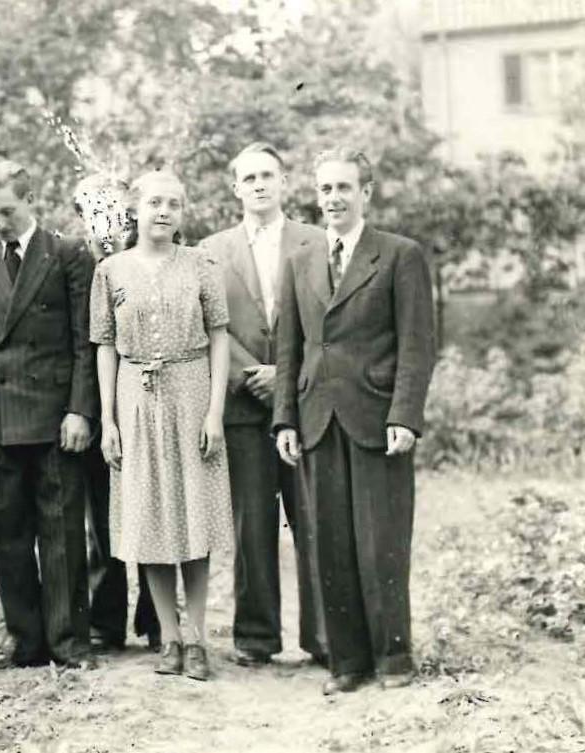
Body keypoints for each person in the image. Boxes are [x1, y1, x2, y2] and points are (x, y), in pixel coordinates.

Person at [273, 147, 435, 694]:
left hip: (377, 419)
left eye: (344, 188)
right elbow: (288, 348)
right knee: (329, 543)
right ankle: (348, 663)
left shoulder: (399, 255)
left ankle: (393, 658)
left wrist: (405, 415)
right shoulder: (300, 260)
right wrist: (284, 420)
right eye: (325, 190)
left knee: (381, 540)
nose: (334, 199)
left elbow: (417, 346)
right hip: (317, 417)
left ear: (367, 191)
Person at [89, 170, 232, 681]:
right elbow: (104, 345)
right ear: (136, 209)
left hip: (191, 390)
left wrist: (214, 411)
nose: (163, 211)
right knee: (148, 519)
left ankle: (196, 638)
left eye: (173, 202)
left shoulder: (201, 265)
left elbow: (219, 337)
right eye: (154, 202)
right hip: (134, 399)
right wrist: (107, 419)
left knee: (194, 517)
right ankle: (168, 640)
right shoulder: (111, 270)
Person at [0, 160, 97, 670]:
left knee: (61, 536)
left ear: (30, 198)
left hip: (55, 416)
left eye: (6, 212)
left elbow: (85, 340)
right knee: (8, 538)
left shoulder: (67, 254)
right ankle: (26, 640)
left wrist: (81, 409)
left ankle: (69, 641)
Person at [198, 143, 328, 668]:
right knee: (251, 526)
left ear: (284, 182)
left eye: (267, 175)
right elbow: (207, 327)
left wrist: (288, 378)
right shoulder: (210, 250)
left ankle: (323, 636)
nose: (259, 184)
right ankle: (255, 637)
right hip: (243, 405)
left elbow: (327, 325)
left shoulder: (316, 242)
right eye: (248, 177)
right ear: (235, 187)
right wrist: (248, 374)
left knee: (314, 521)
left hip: (304, 405)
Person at [72, 173, 159, 652]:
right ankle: (105, 618)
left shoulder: (147, 255)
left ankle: (154, 614)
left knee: (149, 508)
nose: (105, 220)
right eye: (92, 210)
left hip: (146, 399)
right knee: (101, 518)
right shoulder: (75, 262)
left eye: (114, 210)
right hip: (96, 404)